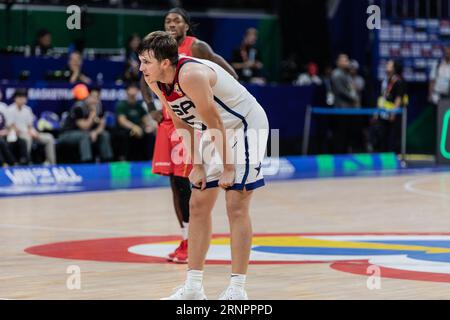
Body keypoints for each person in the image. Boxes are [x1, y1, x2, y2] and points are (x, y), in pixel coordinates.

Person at [139, 31, 269, 300]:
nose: (141, 68)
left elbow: (216, 122)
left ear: (165, 62)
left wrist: (229, 168)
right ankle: (193, 288)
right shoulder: (155, 80)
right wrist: (195, 164)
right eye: (140, 61)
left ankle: (237, 289)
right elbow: (180, 121)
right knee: (197, 204)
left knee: (236, 202)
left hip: (244, 125)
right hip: (214, 130)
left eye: (146, 62)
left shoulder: (191, 75)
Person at [140, 7, 238, 264]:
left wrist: (217, 100)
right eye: (167, 20)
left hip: (193, 121)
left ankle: (195, 239)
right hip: (170, 121)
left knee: (189, 183)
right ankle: (185, 238)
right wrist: (152, 109)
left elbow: (229, 72)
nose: (171, 24)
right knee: (175, 184)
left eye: (177, 20)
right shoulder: (155, 53)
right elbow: (144, 80)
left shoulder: (197, 48)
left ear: (186, 25)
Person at [58, 87, 113, 163]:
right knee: (84, 136)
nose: (95, 100)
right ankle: (87, 163)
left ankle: (107, 162)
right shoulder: (79, 107)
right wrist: (92, 114)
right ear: (87, 97)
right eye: (93, 97)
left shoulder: (100, 107)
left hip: (88, 133)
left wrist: (95, 132)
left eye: (97, 98)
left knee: (105, 134)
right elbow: (84, 127)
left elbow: (102, 125)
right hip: (67, 133)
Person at [7, 89, 56, 165]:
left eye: (24, 98)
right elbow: (11, 127)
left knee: (49, 138)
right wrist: (26, 133)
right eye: (20, 98)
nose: (22, 100)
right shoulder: (10, 109)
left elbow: (30, 126)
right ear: (15, 98)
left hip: (29, 133)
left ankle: (52, 163)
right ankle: (27, 163)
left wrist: (34, 133)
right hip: (17, 135)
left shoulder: (27, 109)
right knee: (27, 139)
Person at [369, 59, 408, 153]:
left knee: (394, 137)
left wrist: (393, 113)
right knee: (382, 136)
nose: (387, 65)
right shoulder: (385, 80)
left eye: (389, 64)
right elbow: (382, 97)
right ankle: (383, 156)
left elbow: (399, 98)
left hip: (393, 114)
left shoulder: (398, 81)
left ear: (394, 68)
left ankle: (396, 158)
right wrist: (377, 111)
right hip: (383, 113)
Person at [115, 83, 155, 161]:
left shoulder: (139, 106)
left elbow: (145, 119)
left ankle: (148, 158)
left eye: (135, 89)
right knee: (127, 134)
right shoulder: (122, 105)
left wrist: (150, 126)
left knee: (149, 133)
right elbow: (122, 121)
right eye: (131, 89)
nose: (133, 91)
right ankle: (125, 158)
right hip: (126, 128)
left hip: (139, 128)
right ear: (127, 91)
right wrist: (134, 127)